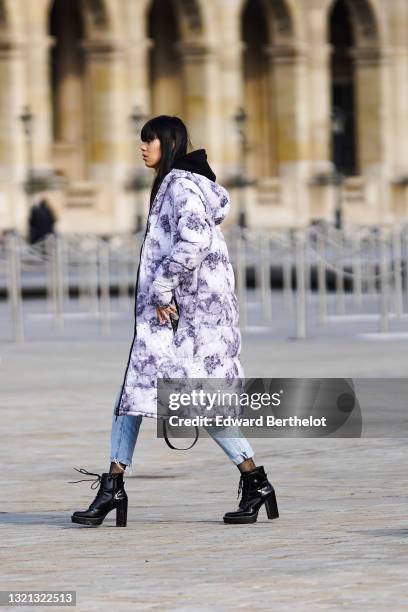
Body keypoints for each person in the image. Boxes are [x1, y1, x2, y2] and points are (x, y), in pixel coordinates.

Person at [70, 115, 279, 527]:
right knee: (138, 398)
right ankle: (115, 486)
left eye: (149, 141)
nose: (143, 148)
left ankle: (253, 480)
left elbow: (195, 240)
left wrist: (163, 289)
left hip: (185, 318)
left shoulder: (181, 185)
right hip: (187, 317)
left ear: (167, 143)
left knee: (186, 402)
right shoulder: (178, 184)